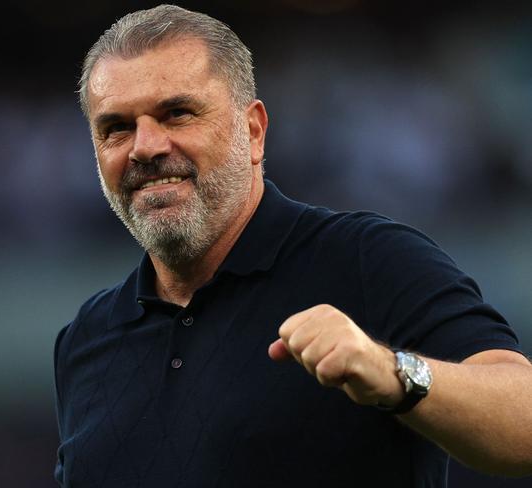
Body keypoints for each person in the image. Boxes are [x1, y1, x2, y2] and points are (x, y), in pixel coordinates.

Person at [53, 5, 532, 487]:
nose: (145, 147)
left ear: (253, 131)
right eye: (116, 127)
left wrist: (392, 373)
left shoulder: (365, 259)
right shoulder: (87, 339)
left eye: (177, 114)